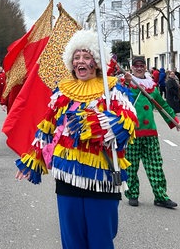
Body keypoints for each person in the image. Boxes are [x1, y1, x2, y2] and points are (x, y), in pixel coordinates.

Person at [15, 30, 137, 249]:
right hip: (67, 179)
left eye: (86, 56)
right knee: (72, 242)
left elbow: (127, 124)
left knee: (100, 241)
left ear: (97, 62)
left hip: (102, 178)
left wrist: (94, 123)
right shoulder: (62, 92)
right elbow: (47, 128)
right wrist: (32, 159)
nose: (80, 61)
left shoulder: (112, 90)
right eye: (77, 57)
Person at [124, 55, 180, 209]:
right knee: (131, 166)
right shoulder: (126, 84)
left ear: (145, 67)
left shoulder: (152, 86)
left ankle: (160, 196)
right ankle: (132, 193)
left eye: (141, 65)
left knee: (155, 165)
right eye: (136, 65)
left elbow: (163, 106)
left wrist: (176, 122)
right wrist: (125, 82)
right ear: (132, 67)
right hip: (131, 134)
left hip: (150, 133)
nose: (139, 68)